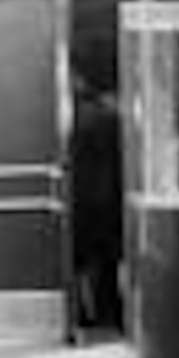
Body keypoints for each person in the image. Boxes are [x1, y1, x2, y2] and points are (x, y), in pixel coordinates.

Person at [66, 72, 126, 334]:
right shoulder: (110, 119)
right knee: (108, 261)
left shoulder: (79, 120)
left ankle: (84, 311)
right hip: (109, 198)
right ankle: (109, 312)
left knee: (83, 261)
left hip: (83, 198)